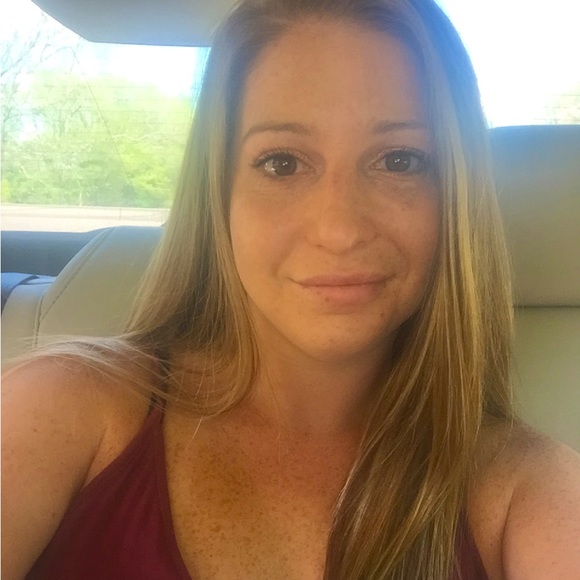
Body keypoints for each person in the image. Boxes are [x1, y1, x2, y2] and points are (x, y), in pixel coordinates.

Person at [3, 0, 580, 578]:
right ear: (219, 194)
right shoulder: (58, 412)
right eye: (281, 163)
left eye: (400, 160)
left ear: (457, 197)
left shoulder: (530, 494)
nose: (340, 229)